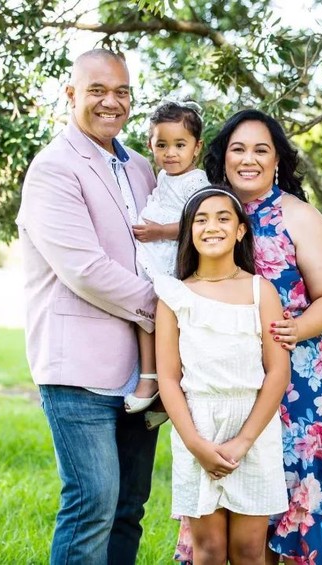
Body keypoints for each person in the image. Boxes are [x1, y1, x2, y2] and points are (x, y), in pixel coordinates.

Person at [171, 109, 322, 564]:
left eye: (261, 149)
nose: (248, 159)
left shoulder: (298, 215)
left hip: (294, 382)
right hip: (224, 384)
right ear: (223, 157)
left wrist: (292, 330)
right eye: (238, 149)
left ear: (278, 159)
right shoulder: (209, 215)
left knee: (289, 497)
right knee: (229, 502)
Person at [16, 48, 159, 565]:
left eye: (121, 91)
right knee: (92, 505)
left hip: (144, 372)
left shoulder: (141, 167)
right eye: (97, 90)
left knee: (128, 509)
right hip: (78, 368)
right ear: (71, 94)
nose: (111, 101)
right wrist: (167, 310)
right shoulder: (54, 168)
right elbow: (85, 269)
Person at [155, 185, 291, 564]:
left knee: (249, 550)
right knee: (210, 550)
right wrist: (196, 444)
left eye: (222, 218)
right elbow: (167, 378)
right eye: (200, 219)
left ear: (241, 231)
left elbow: (278, 370)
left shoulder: (259, 290)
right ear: (188, 231)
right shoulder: (174, 296)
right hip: (197, 427)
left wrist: (244, 440)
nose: (211, 227)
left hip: (254, 428)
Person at [125, 98, 209, 414]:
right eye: (162, 145)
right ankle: (150, 376)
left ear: (196, 147)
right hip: (152, 254)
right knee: (144, 314)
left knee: (166, 320)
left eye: (179, 144)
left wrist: (160, 231)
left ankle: (168, 384)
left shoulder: (197, 182)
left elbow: (198, 222)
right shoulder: (162, 176)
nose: (170, 153)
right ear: (151, 145)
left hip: (173, 257)